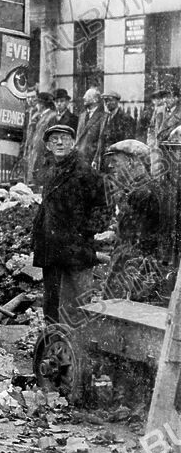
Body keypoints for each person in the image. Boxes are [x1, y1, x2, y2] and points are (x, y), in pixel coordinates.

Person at [31, 124, 106, 337]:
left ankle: (73, 349)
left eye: (64, 138)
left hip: (74, 250)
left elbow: (102, 209)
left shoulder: (85, 172)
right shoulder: (51, 169)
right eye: (54, 139)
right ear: (47, 145)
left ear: (73, 143)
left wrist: (82, 233)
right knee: (52, 301)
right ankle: (52, 345)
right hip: (51, 248)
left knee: (75, 303)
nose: (60, 143)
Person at [99, 139, 169, 303]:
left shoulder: (143, 192)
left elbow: (139, 240)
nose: (111, 166)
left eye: (115, 161)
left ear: (131, 161)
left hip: (132, 268)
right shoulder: (137, 189)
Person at [95, 90, 136, 172]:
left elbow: (128, 143)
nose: (107, 103)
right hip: (104, 161)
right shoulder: (104, 119)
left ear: (117, 101)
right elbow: (101, 141)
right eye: (105, 101)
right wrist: (96, 159)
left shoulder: (126, 119)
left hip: (118, 161)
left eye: (110, 100)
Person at [25, 91, 56, 187]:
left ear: (42, 105)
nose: (37, 105)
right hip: (35, 152)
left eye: (38, 103)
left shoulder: (52, 116)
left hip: (44, 153)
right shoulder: (38, 116)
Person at [75, 87, 104, 168]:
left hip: (91, 159)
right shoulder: (82, 115)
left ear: (95, 99)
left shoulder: (103, 116)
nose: (84, 97)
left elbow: (101, 140)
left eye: (88, 96)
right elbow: (78, 137)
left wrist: (96, 159)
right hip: (79, 158)